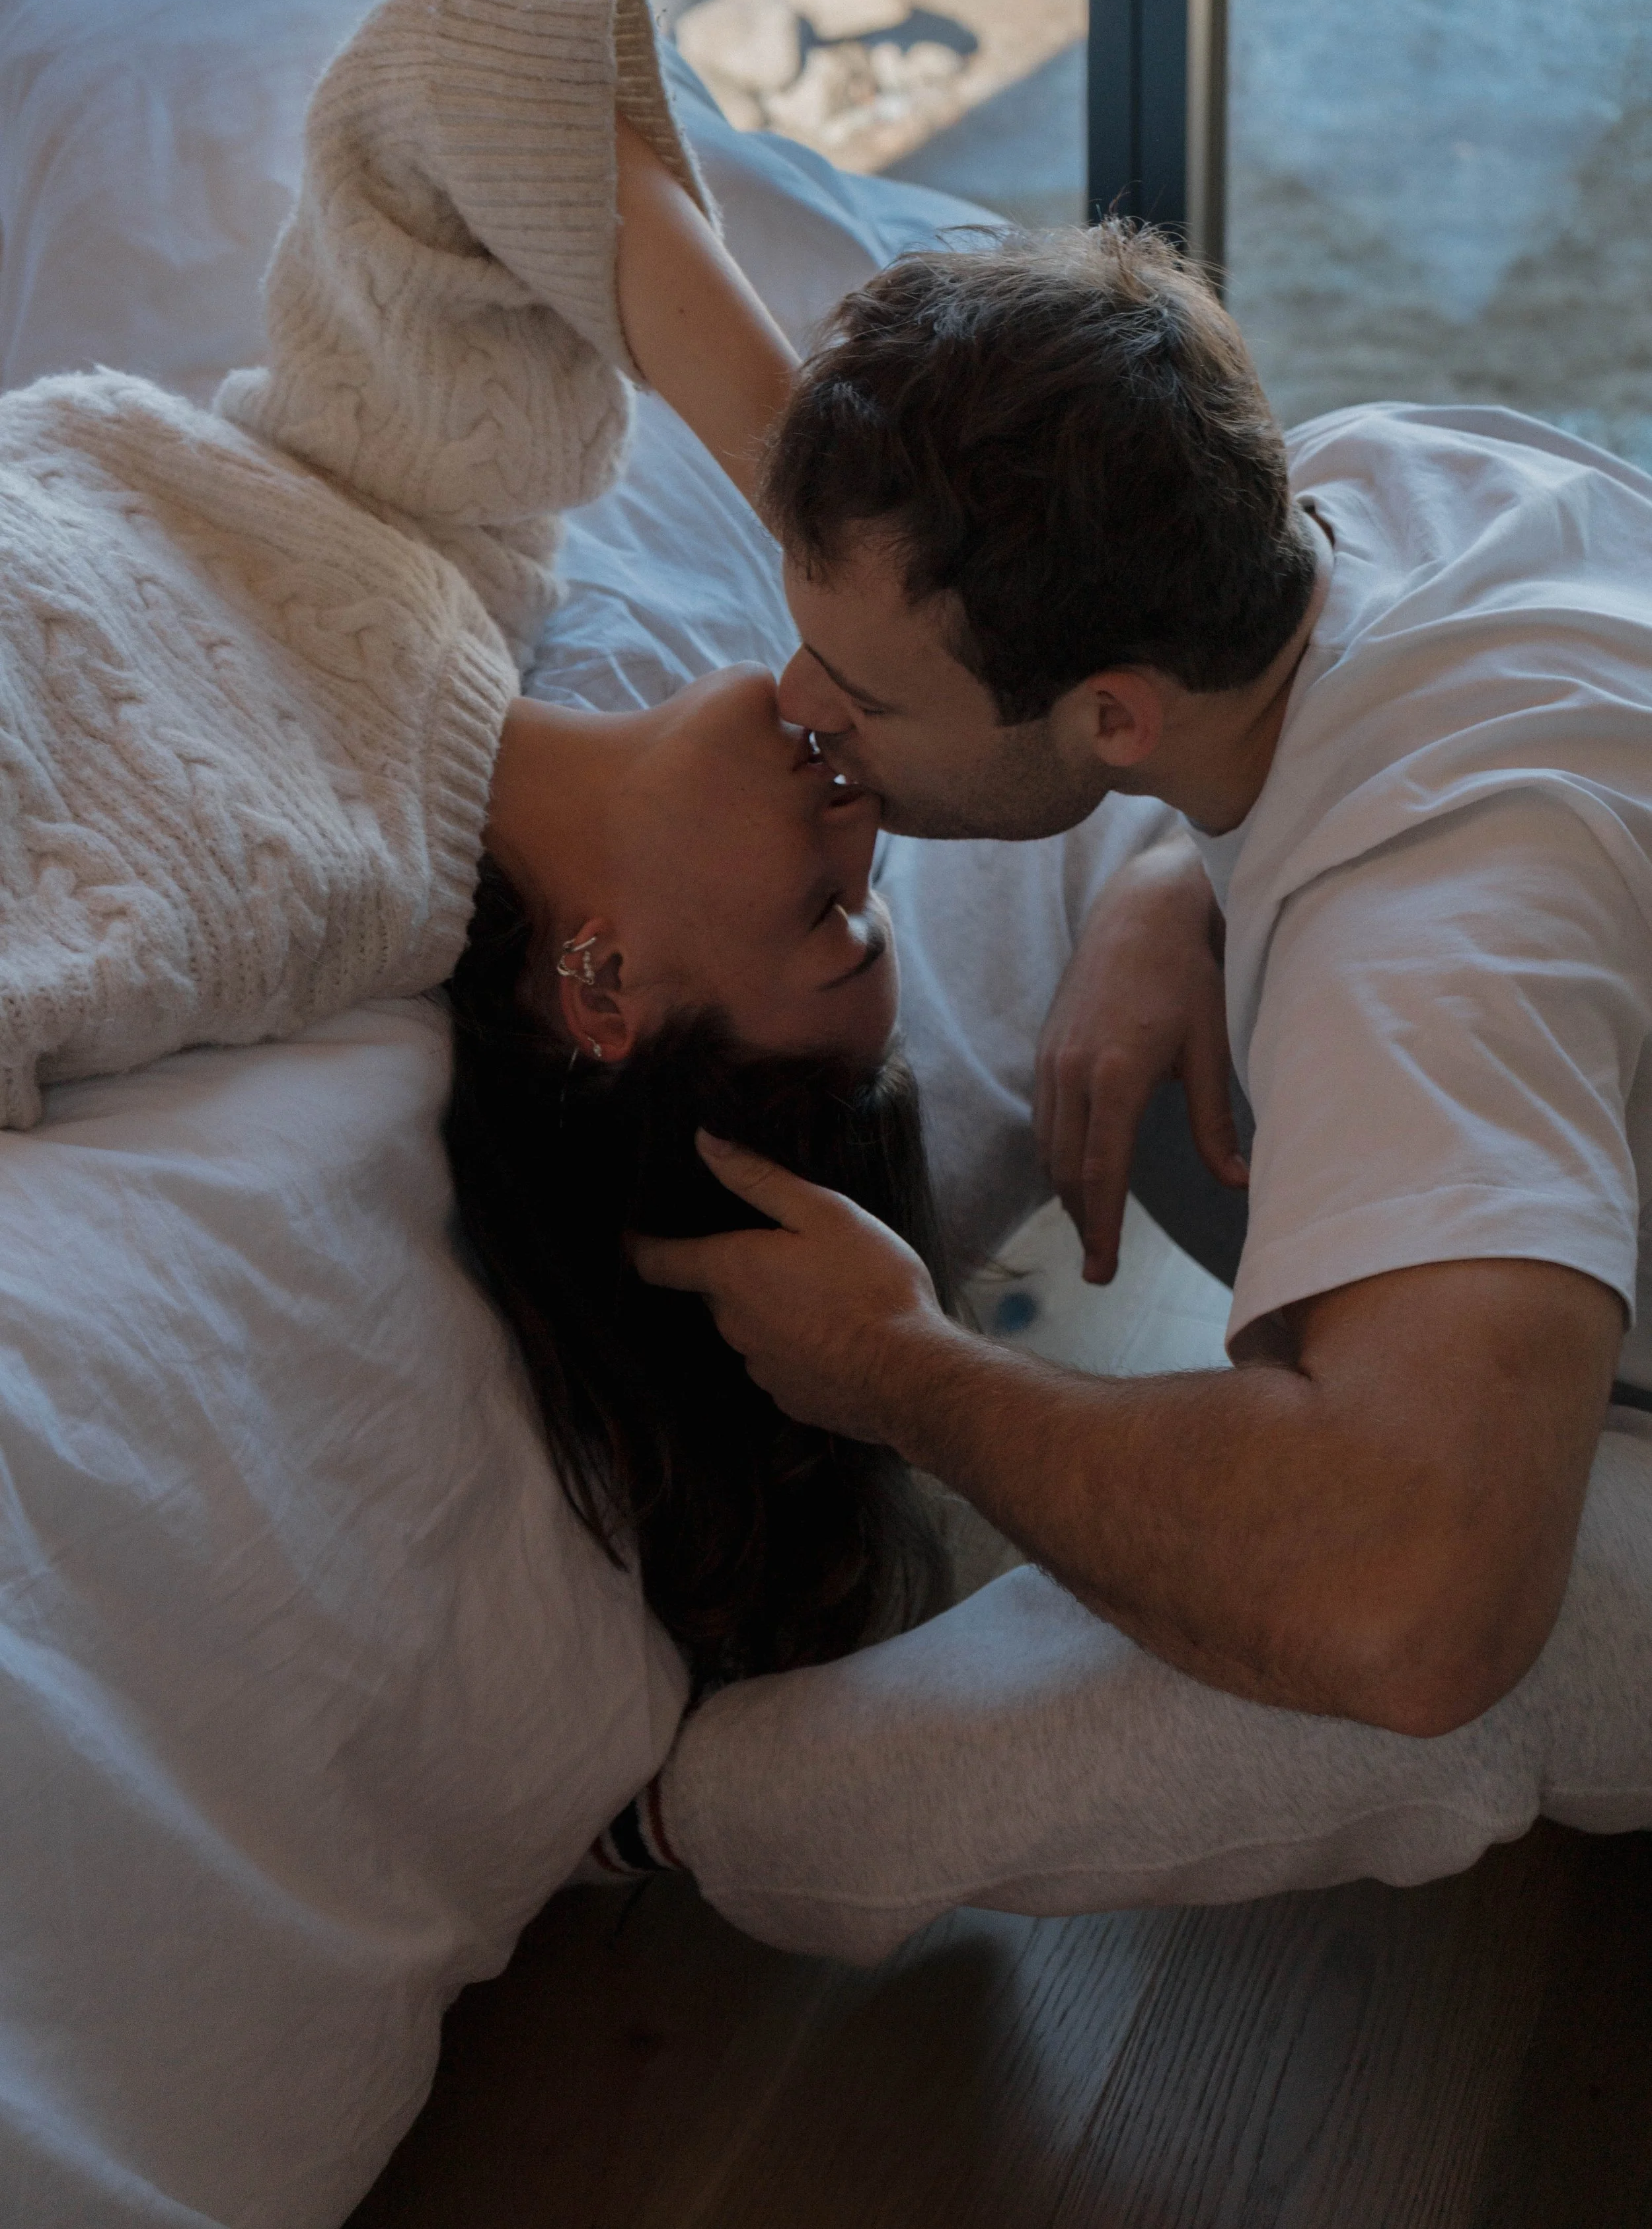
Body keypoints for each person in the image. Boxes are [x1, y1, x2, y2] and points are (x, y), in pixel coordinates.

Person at [613, 219, 1652, 1959]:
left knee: (817, 1786)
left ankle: (664, 1821)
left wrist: (903, 1371)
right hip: (1527, 1049)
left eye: (860, 695)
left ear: (1114, 715)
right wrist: (1178, 868)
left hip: (1471, 1546)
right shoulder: (1378, 474)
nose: (796, 704)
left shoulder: (1426, 947)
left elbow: (1423, 1608)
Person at [0, 0, 953, 1686]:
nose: (861, 824)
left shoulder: (310, 879)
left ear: (607, 990)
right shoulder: (458, 551)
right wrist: (835, 536)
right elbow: (462, 71)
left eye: (832, 921)